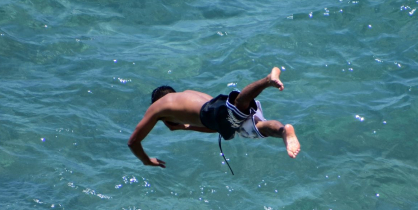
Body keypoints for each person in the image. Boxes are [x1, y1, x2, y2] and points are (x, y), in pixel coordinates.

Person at [128, 67, 300, 169]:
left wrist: (146, 160)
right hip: (216, 112)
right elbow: (216, 123)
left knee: (240, 103)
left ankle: (267, 80)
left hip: (212, 112)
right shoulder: (188, 94)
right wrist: (186, 127)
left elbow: (133, 141)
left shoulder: (157, 107)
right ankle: (284, 131)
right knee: (261, 126)